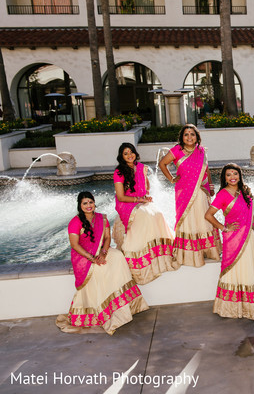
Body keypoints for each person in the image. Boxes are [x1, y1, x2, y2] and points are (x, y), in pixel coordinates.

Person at [56, 192, 149, 335]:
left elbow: (107, 238)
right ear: (80, 206)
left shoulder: (102, 218)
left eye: (90, 202)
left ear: (94, 203)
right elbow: (74, 245)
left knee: (118, 257)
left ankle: (123, 308)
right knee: (101, 269)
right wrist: (92, 258)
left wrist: (103, 253)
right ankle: (106, 312)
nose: (88, 206)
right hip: (83, 256)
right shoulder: (75, 222)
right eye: (85, 203)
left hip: (101, 251)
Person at [204, 163, 254, 319]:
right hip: (233, 239)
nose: (232, 177)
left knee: (249, 269)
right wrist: (223, 228)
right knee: (234, 271)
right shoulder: (223, 194)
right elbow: (208, 215)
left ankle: (250, 305)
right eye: (228, 175)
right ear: (224, 178)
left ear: (240, 175)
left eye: (235, 174)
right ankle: (233, 306)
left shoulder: (245, 191)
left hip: (248, 238)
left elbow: (250, 214)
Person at [114, 142, 177, 284]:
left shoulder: (141, 168)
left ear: (135, 153)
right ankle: (138, 256)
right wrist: (138, 199)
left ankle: (162, 252)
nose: (129, 155)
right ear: (121, 157)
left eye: (131, 152)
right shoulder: (119, 172)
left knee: (157, 213)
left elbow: (146, 189)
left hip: (141, 201)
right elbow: (120, 196)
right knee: (145, 215)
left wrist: (146, 197)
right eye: (125, 153)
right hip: (127, 203)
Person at [158, 124, 221, 267]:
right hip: (184, 191)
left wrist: (211, 186)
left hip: (201, 190)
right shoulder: (177, 150)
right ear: (182, 137)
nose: (189, 137)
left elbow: (206, 170)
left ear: (197, 136)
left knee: (202, 218)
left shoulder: (201, 151)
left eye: (192, 134)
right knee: (188, 219)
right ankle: (189, 253)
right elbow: (162, 164)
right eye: (186, 134)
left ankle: (207, 251)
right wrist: (171, 178)